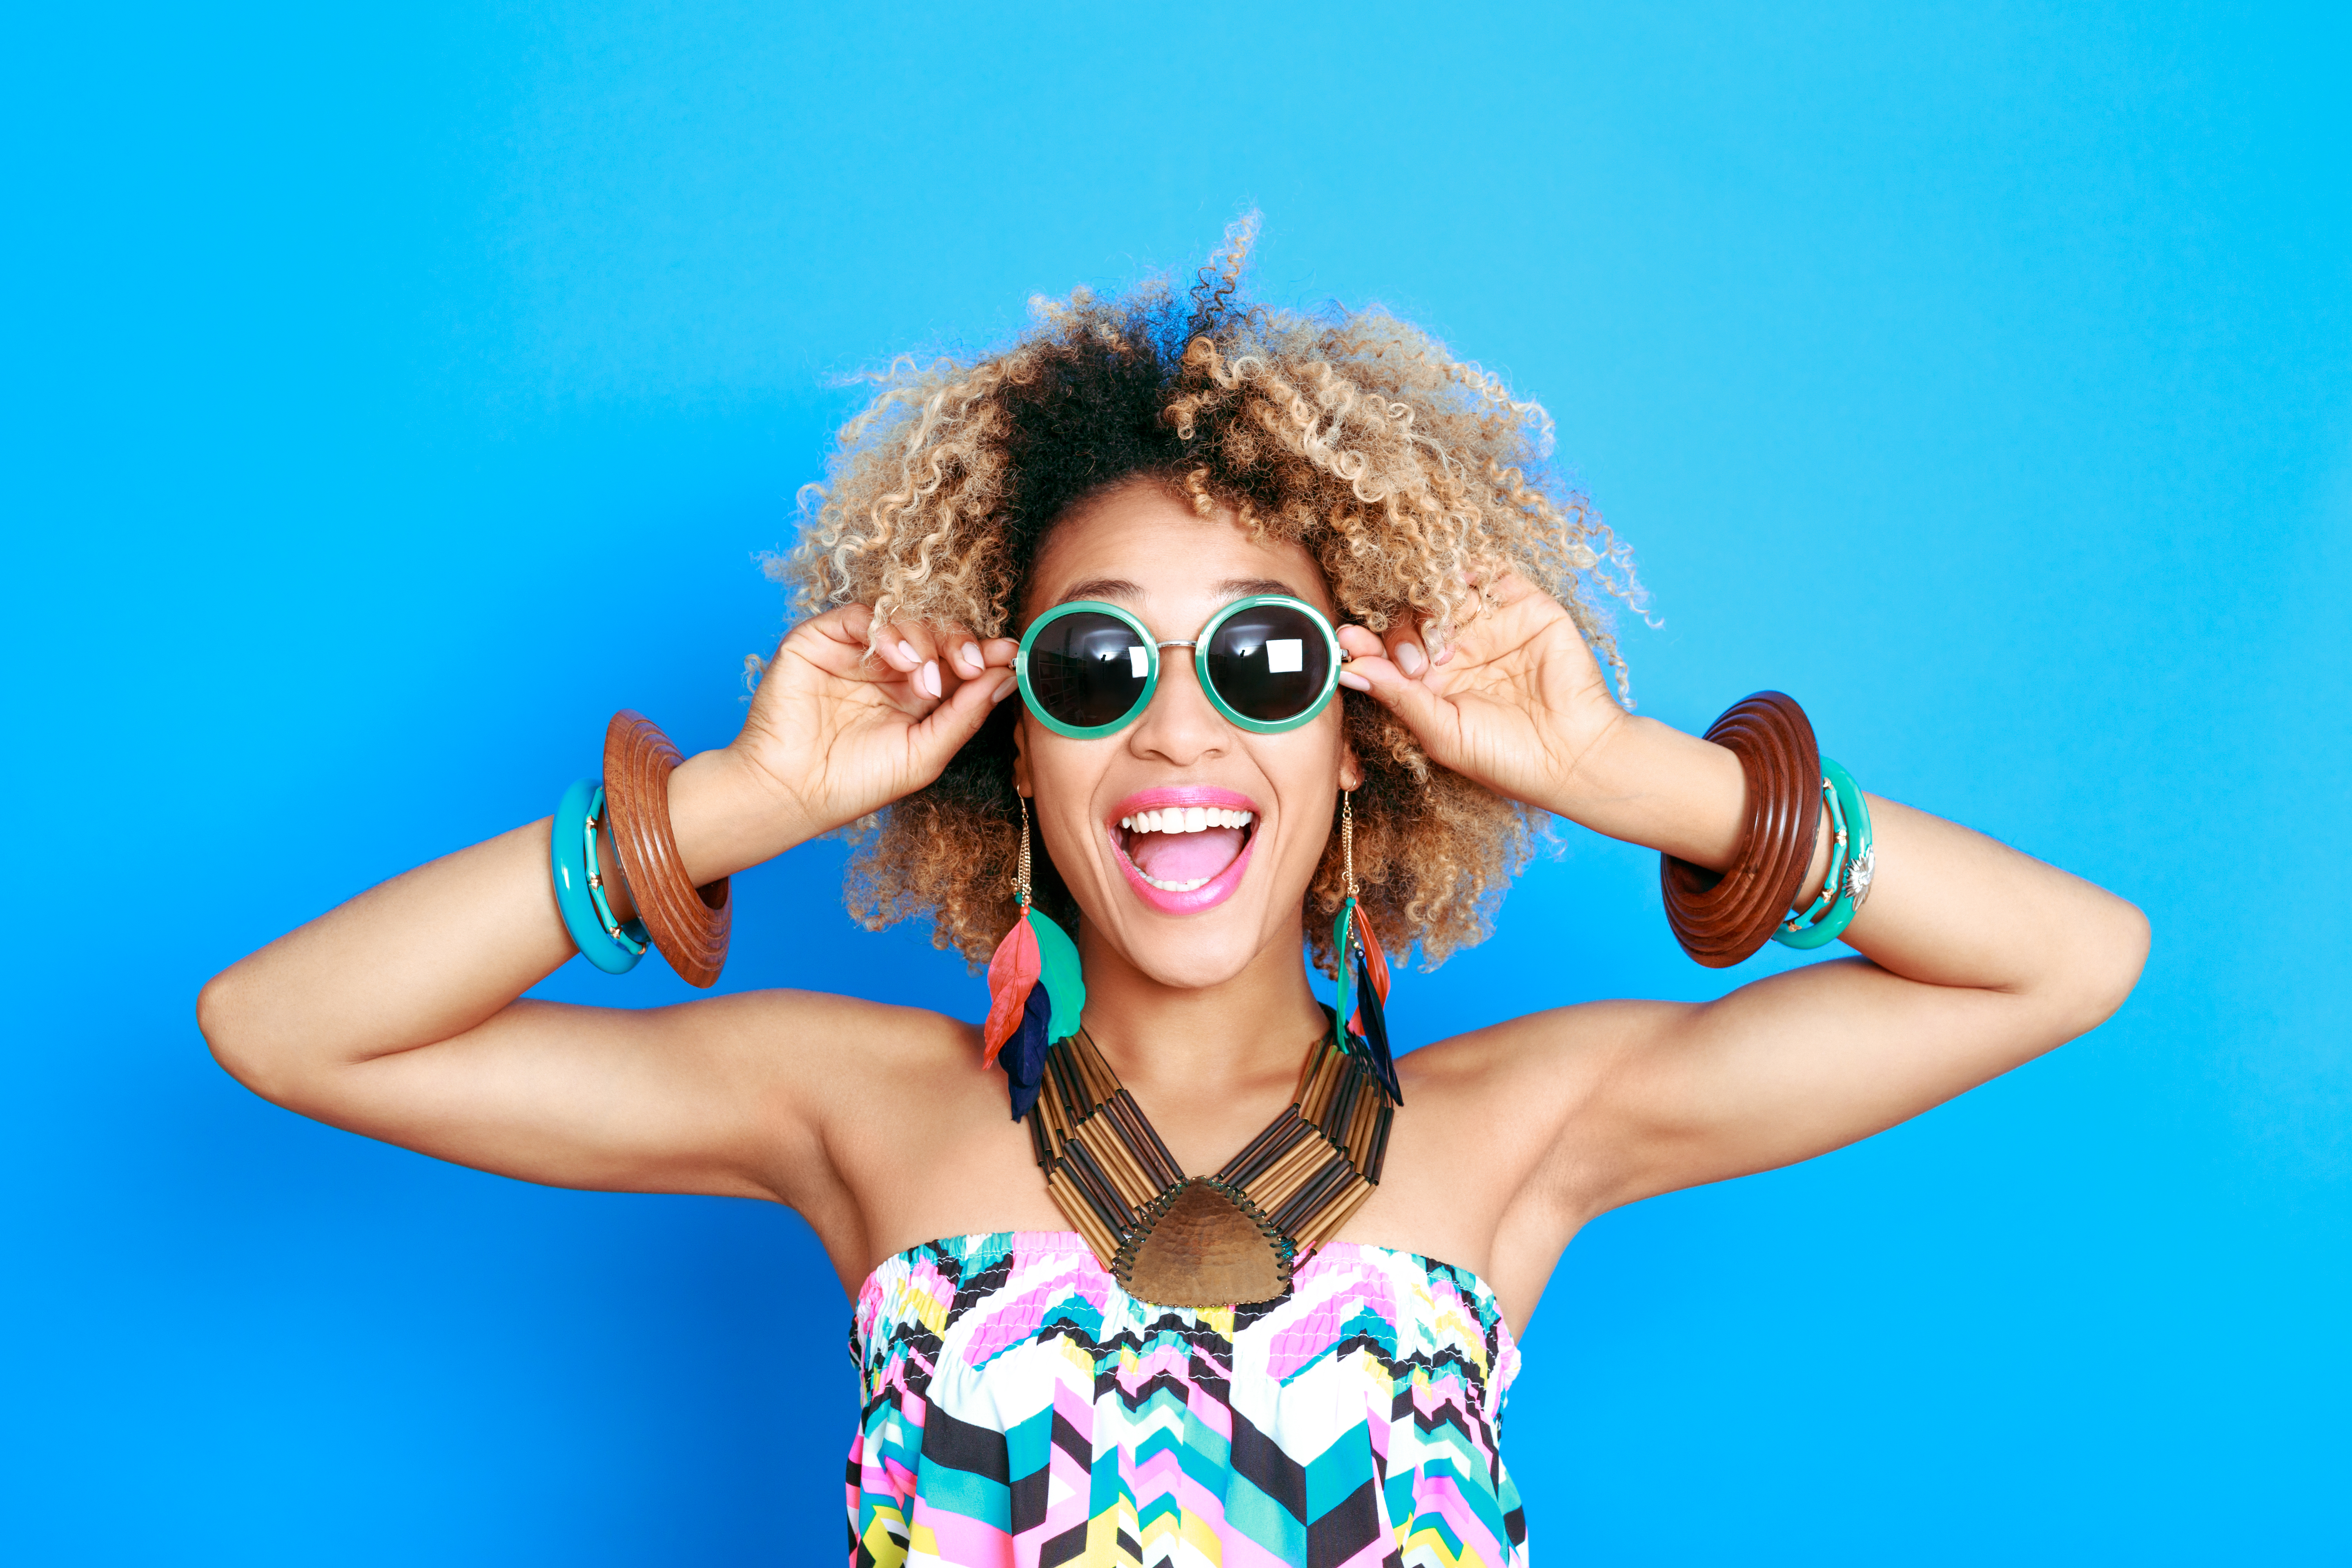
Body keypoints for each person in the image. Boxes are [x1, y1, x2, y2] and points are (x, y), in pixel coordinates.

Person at [198, 232, 2149, 1568]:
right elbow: (285, 1029)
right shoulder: (849, 1107)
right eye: (1097, 664)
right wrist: (737, 803)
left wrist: (1628, 773)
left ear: (1360, 739)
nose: (1181, 729)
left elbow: (2067, 963)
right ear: (1013, 738)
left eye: (1267, 664)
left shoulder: (1527, 1129)